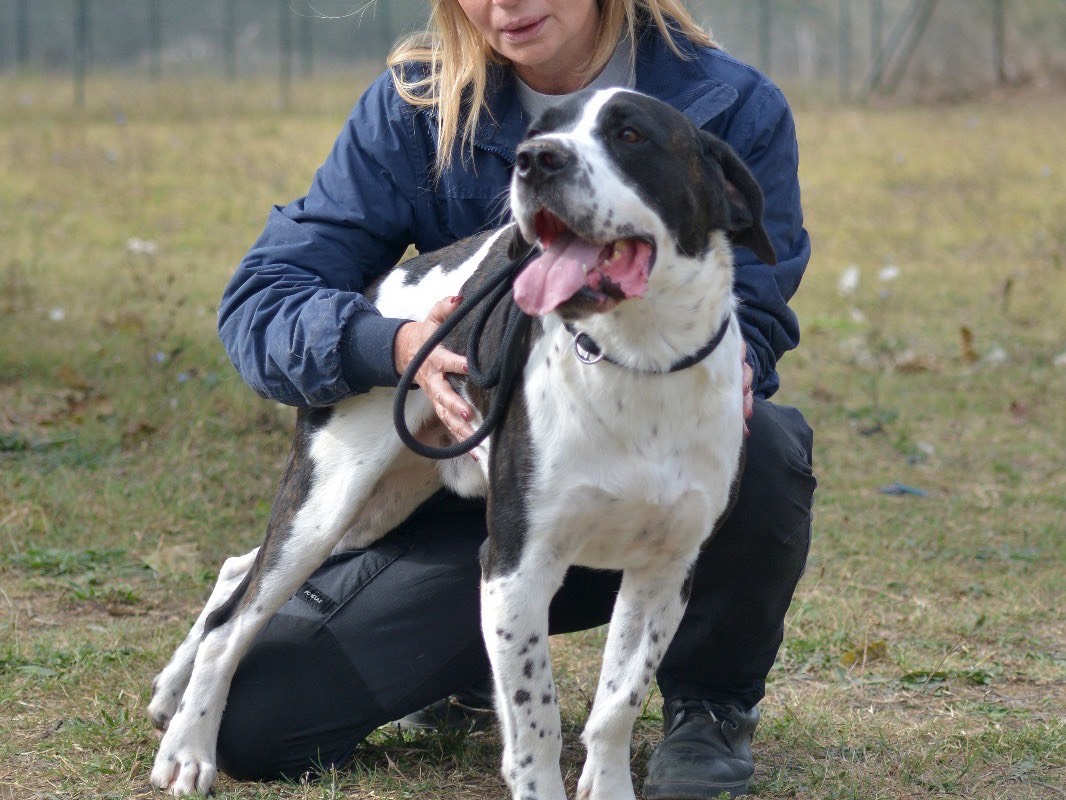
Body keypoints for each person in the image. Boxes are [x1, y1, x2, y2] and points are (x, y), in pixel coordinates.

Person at [215, 1, 815, 797]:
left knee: (763, 447)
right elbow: (265, 300)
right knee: (255, 725)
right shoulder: (418, 104)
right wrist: (393, 345)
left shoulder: (730, 104)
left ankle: (707, 707)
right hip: (474, 501)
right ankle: (462, 670)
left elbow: (758, 304)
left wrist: (723, 366)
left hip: (661, 482)